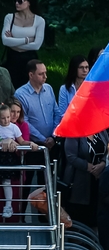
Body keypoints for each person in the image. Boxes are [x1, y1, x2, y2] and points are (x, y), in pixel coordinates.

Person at [15, 60, 61, 201]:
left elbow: (56, 113)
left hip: (51, 143)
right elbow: (25, 120)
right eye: (41, 74)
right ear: (31, 75)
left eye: (45, 73)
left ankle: (45, 217)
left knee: (48, 182)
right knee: (27, 180)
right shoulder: (20, 94)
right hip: (33, 146)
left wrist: (53, 136)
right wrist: (42, 139)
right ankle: (22, 216)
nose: (45, 76)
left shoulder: (49, 89)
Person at [64, 129, 108, 227]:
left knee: (96, 218)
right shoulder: (74, 132)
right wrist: (91, 168)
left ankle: (94, 241)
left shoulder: (101, 130)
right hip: (79, 183)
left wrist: (102, 164)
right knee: (79, 219)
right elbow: (71, 157)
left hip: (99, 181)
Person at [0, 104, 38, 219]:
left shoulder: (14, 127)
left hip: (8, 159)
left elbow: (22, 141)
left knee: (6, 183)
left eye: (7, 117)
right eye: (3, 118)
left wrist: (30, 143)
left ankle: (8, 206)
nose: (6, 120)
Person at [2, 0, 45, 88]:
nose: (17, 3)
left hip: (29, 60)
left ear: (29, 2)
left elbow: (36, 46)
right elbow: (5, 41)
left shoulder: (39, 21)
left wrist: (14, 42)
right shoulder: (9, 17)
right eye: (16, 0)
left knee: (29, 88)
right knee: (11, 87)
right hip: (12, 59)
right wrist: (26, 40)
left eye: (20, 1)